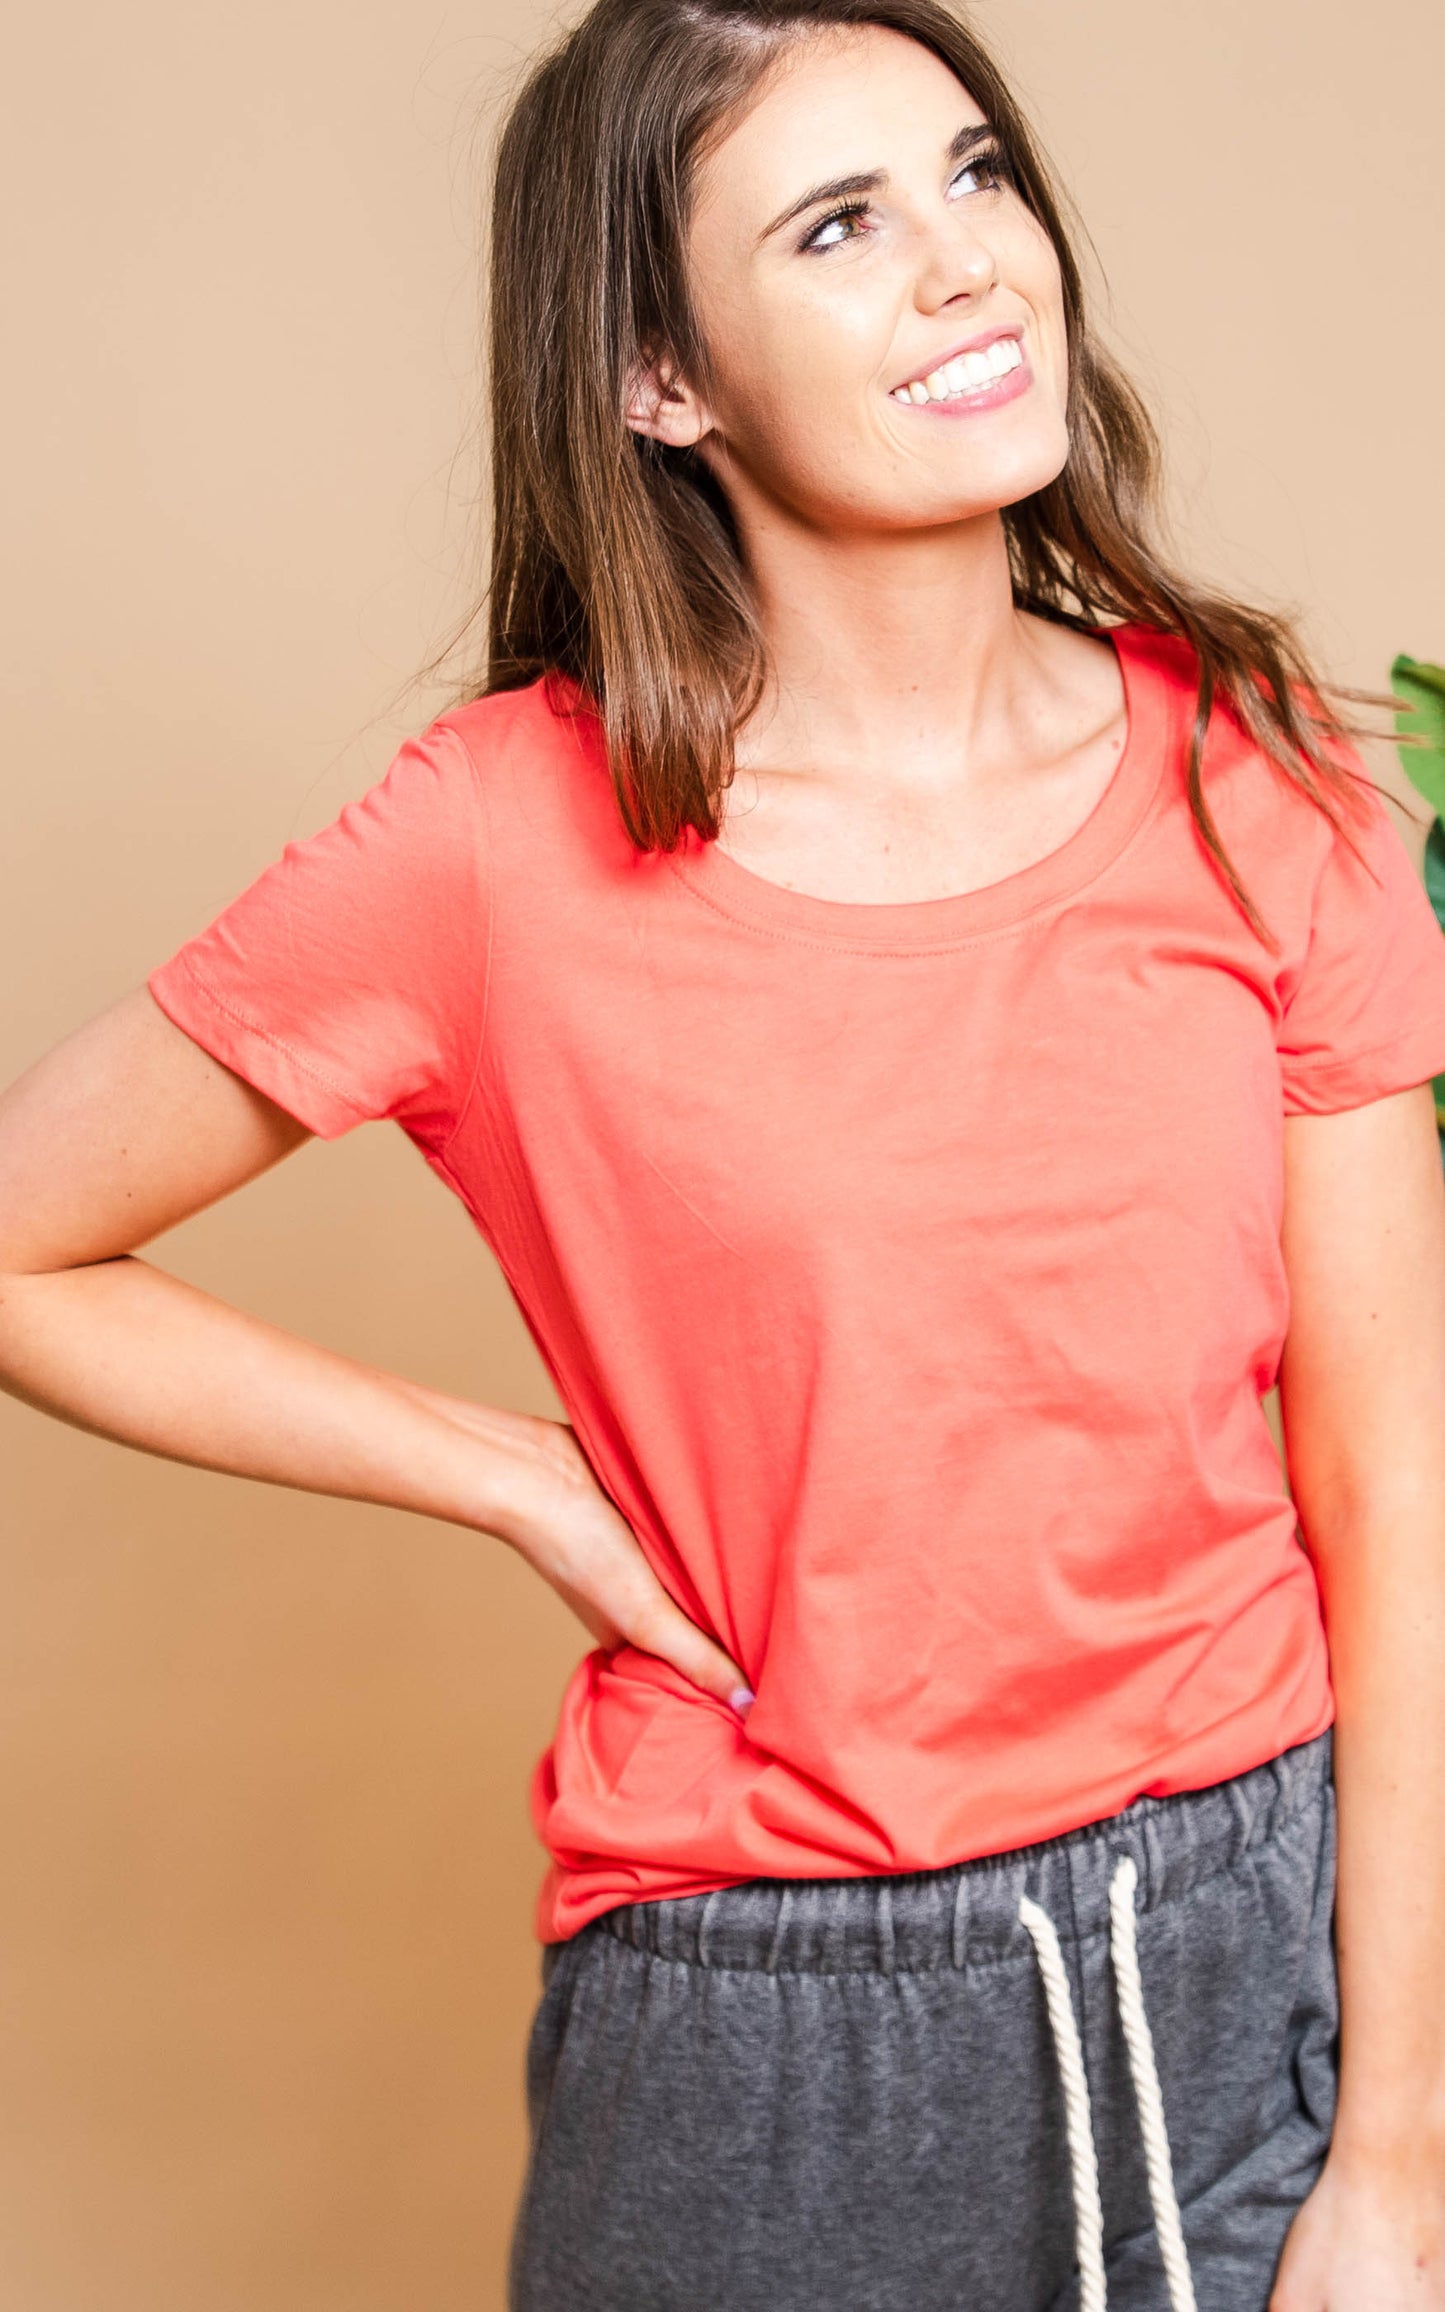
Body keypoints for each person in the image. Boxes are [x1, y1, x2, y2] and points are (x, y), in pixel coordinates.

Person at [3, 0, 1445, 2302]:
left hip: (1248, 1987)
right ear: (664, 377)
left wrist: (1402, 2162)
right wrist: (519, 1476)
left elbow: (1399, 1502)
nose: (970, 263)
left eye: (979, 177)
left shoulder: (1271, 790)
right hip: (762, 2049)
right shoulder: (495, 845)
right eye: (844, 224)